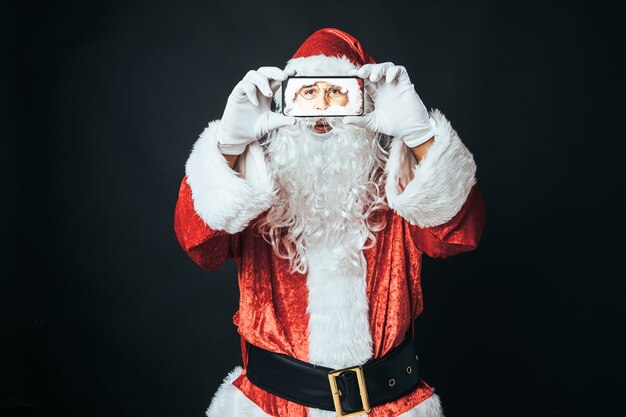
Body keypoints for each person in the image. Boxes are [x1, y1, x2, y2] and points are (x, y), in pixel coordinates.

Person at [174, 27, 486, 417]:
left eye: (337, 92)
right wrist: (228, 147)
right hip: (271, 407)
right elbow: (199, 245)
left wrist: (421, 136)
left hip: (389, 406)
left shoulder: (400, 184)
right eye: (308, 92)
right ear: (288, 104)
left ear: (364, 103)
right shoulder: (252, 186)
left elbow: (459, 236)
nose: (322, 108)